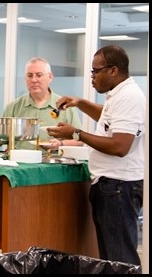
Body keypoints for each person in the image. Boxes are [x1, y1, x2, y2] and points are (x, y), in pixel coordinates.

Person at [47, 45, 145, 265]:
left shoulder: (129, 96)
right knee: (110, 259)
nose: (92, 77)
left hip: (119, 186)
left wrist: (76, 133)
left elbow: (120, 146)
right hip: (111, 184)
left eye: (95, 71)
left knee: (120, 261)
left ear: (113, 70)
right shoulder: (119, 95)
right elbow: (110, 117)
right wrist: (80, 103)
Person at [0, 57, 83, 151]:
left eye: (39, 75)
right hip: (18, 166)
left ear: (50, 77)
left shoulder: (66, 107)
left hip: (52, 166)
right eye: (29, 76)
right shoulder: (13, 107)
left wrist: (60, 144)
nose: (34, 80)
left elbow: (79, 141)